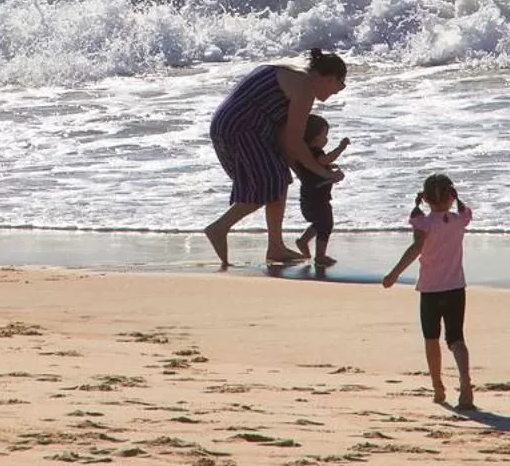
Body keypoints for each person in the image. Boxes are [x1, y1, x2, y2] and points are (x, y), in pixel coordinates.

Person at [203, 48, 348, 268]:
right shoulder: (304, 87)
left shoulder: (295, 74)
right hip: (241, 127)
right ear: (328, 77)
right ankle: (220, 227)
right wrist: (321, 172)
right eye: (340, 84)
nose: (337, 91)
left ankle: (276, 247)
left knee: (279, 179)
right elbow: (294, 141)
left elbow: (285, 141)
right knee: (266, 183)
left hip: (232, 125)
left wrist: (307, 171)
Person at [381, 173, 474, 410]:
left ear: (425, 198)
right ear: (451, 196)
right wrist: (454, 199)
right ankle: (465, 383)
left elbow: (415, 248)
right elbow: (466, 212)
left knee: (431, 338)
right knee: (456, 339)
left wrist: (394, 274)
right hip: (455, 288)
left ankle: (438, 388)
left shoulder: (424, 224)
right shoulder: (459, 220)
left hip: (431, 291)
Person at [292, 113, 348, 267]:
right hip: (316, 200)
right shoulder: (315, 153)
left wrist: (329, 170)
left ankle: (303, 241)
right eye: (324, 135)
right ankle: (320, 256)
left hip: (310, 199)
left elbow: (319, 168)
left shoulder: (307, 155)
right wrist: (340, 148)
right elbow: (326, 159)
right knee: (326, 224)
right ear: (314, 138)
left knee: (320, 223)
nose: (326, 139)